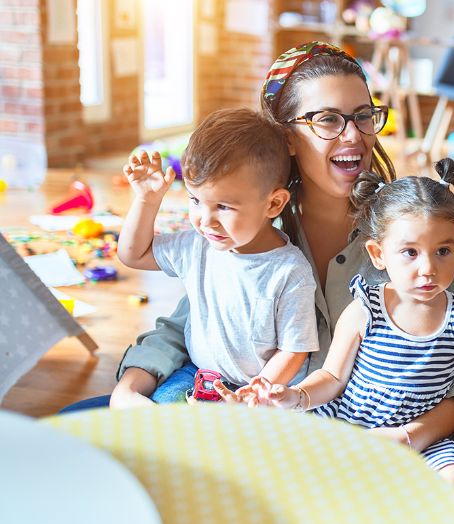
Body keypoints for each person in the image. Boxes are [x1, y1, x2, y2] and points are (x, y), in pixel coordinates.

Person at [63, 42, 454, 454]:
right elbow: (185, 327)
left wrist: (413, 435)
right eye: (327, 120)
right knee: (67, 433)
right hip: (241, 418)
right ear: (285, 137)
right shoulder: (246, 227)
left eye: (362, 116)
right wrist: (130, 387)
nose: (353, 135)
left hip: (357, 444)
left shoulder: (413, 234)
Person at [231, 159, 454, 502]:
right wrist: (296, 396)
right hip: (350, 422)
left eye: (443, 251)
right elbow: (333, 377)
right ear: (378, 255)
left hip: (425, 439)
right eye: (410, 252)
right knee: (282, 465)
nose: (428, 268)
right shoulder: (366, 307)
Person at [117, 108, 317, 400]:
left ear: (274, 204)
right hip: (200, 376)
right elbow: (133, 255)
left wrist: (257, 392)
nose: (205, 220)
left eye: (223, 207)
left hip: (264, 388)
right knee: (163, 415)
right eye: (196, 200)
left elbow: (294, 349)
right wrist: (147, 200)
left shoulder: (289, 271)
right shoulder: (198, 246)